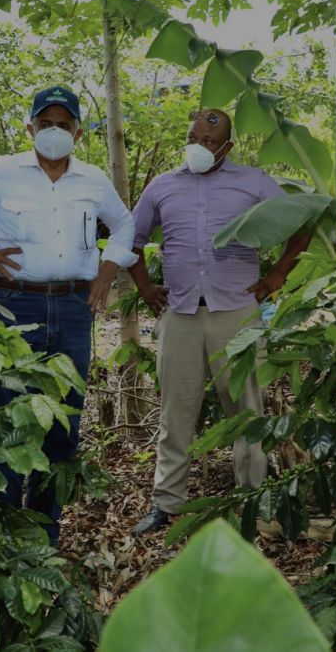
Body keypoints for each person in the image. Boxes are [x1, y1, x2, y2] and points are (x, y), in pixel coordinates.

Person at [0, 85, 137, 544]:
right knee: (9, 415)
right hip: (16, 305)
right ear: (30, 128)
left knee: (64, 418)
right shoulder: (2, 172)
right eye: (46, 124)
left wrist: (107, 271)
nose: (54, 132)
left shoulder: (92, 180)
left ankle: (44, 532)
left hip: (73, 305)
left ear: (78, 133)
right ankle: (5, 530)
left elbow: (125, 224)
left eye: (64, 125)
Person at [127, 108, 310, 534]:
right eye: (194, 138)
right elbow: (132, 241)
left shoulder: (254, 183)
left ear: (228, 146)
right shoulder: (163, 186)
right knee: (176, 414)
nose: (201, 147)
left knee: (247, 410)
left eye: (211, 141)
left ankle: (253, 501)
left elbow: (300, 226)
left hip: (237, 314)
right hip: (181, 315)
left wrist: (277, 274)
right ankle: (166, 503)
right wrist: (144, 289)